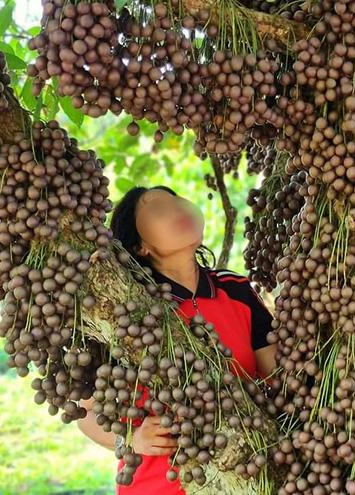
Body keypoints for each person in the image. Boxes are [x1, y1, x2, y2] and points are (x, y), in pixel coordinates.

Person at [76, 185, 277, 494]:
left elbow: (281, 380)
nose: (176, 210)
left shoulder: (235, 288)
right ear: (141, 245)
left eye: (177, 200)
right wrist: (131, 439)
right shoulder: (125, 306)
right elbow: (85, 413)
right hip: (158, 485)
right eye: (158, 209)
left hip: (243, 480)